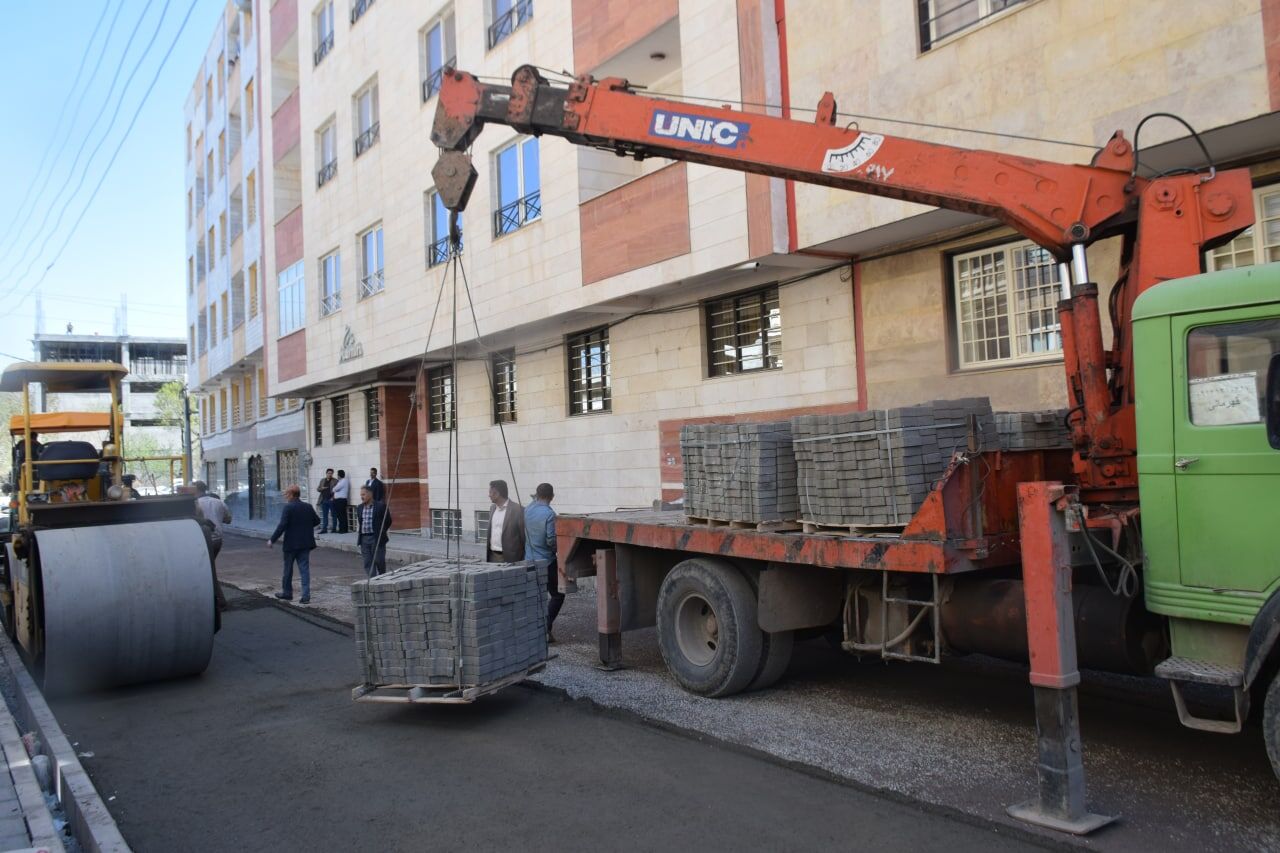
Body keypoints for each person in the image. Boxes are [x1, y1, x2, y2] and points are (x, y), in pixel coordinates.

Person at [266, 484, 320, 604]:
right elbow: (317, 521)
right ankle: (305, 596)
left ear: (291, 494)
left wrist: (272, 539)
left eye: (286, 494)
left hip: (291, 544)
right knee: (304, 570)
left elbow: (282, 525)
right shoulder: (308, 506)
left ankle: (287, 593)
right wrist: (305, 527)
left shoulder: (288, 507)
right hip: (305, 543)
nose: (285, 496)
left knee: (288, 570)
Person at [524, 482, 563, 643]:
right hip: (546, 561)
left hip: (529, 560)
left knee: (537, 597)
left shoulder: (528, 509)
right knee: (558, 595)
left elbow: (533, 501)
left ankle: (539, 630)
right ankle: (544, 628)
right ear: (552, 497)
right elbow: (550, 540)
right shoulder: (549, 514)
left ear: (537, 495)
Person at [193, 480, 230, 614]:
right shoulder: (218, 502)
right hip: (218, 539)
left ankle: (220, 602)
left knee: (209, 572)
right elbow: (228, 519)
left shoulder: (196, 504)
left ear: (195, 490)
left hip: (204, 539)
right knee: (208, 569)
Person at [356, 485, 392, 577]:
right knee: (367, 562)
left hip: (376, 538)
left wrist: (381, 531)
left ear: (370, 494)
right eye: (361, 494)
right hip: (364, 538)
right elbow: (361, 521)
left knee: (378, 560)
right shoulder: (359, 507)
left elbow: (388, 521)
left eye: (363, 494)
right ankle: (372, 581)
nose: (361, 497)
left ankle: (382, 576)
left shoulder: (380, 506)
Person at [486, 479, 525, 563]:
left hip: (511, 559)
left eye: (490, 492)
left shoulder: (518, 510)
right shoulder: (492, 508)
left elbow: (524, 538)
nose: (488, 495)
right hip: (492, 556)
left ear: (497, 493)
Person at [316, 468, 337, 533]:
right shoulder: (322, 480)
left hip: (331, 500)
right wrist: (321, 488)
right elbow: (318, 489)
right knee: (325, 515)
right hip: (324, 500)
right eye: (328, 473)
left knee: (333, 515)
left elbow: (336, 491)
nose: (330, 474)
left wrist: (333, 498)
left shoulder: (335, 481)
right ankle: (324, 529)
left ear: (332, 474)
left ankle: (334, 529)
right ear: (326, 473)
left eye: (331, 473)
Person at [332, 469, 350, 534]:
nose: (337, 476)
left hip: (341, 500)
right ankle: (342, 528)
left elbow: (335, 488)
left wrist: (334, 489)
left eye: (338, 474)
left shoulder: (344, 481)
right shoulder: (340, 481)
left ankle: (343, 529)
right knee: (340, 515)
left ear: (339, 475)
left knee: (341, 515)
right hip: (338, 500)